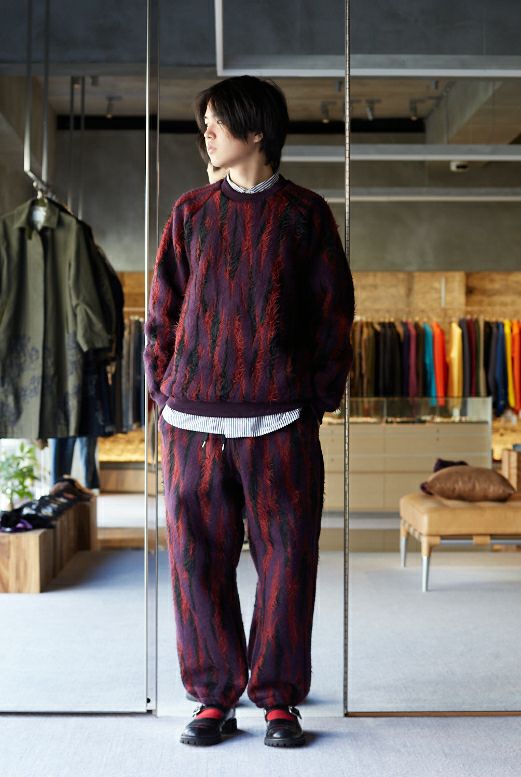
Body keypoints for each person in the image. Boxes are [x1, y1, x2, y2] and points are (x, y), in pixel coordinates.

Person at [143, 75, 355, 748]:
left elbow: (334, 314)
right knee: (195, 562)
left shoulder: (304, 214)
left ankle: (278, 699)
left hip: (280, 421)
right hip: (192, 423)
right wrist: (163, 393)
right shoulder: (190, 212)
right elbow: (161, 312)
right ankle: (213, 696)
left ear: (256, 130)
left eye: (217, 122)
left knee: (288, 561)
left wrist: (314, 400)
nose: (206, 133)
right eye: (204, 122)